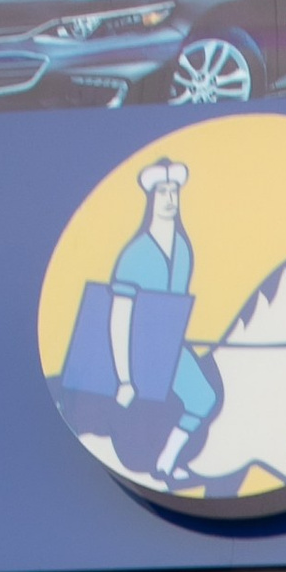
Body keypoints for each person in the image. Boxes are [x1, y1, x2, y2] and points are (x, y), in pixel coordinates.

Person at [106, 157, 222, 490]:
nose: (170, 200)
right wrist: (124, 378)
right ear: (151, 199)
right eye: (162, 193)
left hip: (171, 348)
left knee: (204, 398)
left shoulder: (183, 249)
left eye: (174, 192)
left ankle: (165, 464)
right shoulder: (135, 253)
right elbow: (120, 316)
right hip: (140, 351)